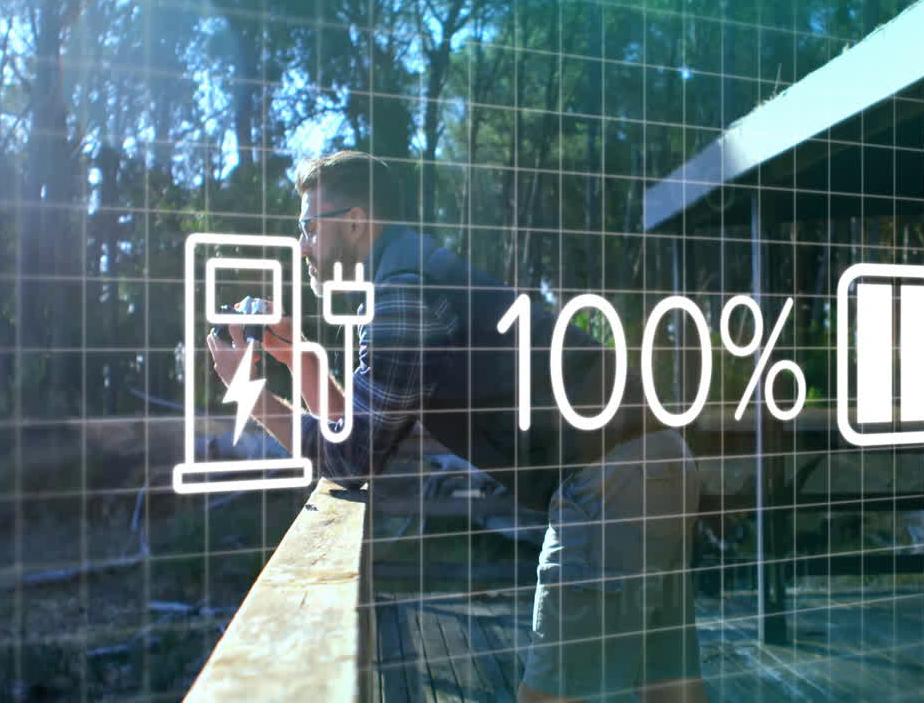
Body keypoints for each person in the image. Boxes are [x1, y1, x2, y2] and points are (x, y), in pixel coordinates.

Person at [205, 150, 708, 703]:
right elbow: (358, 428)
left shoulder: (404, 294)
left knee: (552, 697)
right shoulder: (413, 274)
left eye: (307, 226)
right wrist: (296, 352)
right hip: (655, 460)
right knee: (669, 685)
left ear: (354, 220)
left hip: (610, 481)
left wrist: (249, 391)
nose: (301, 246)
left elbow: (351, 458)